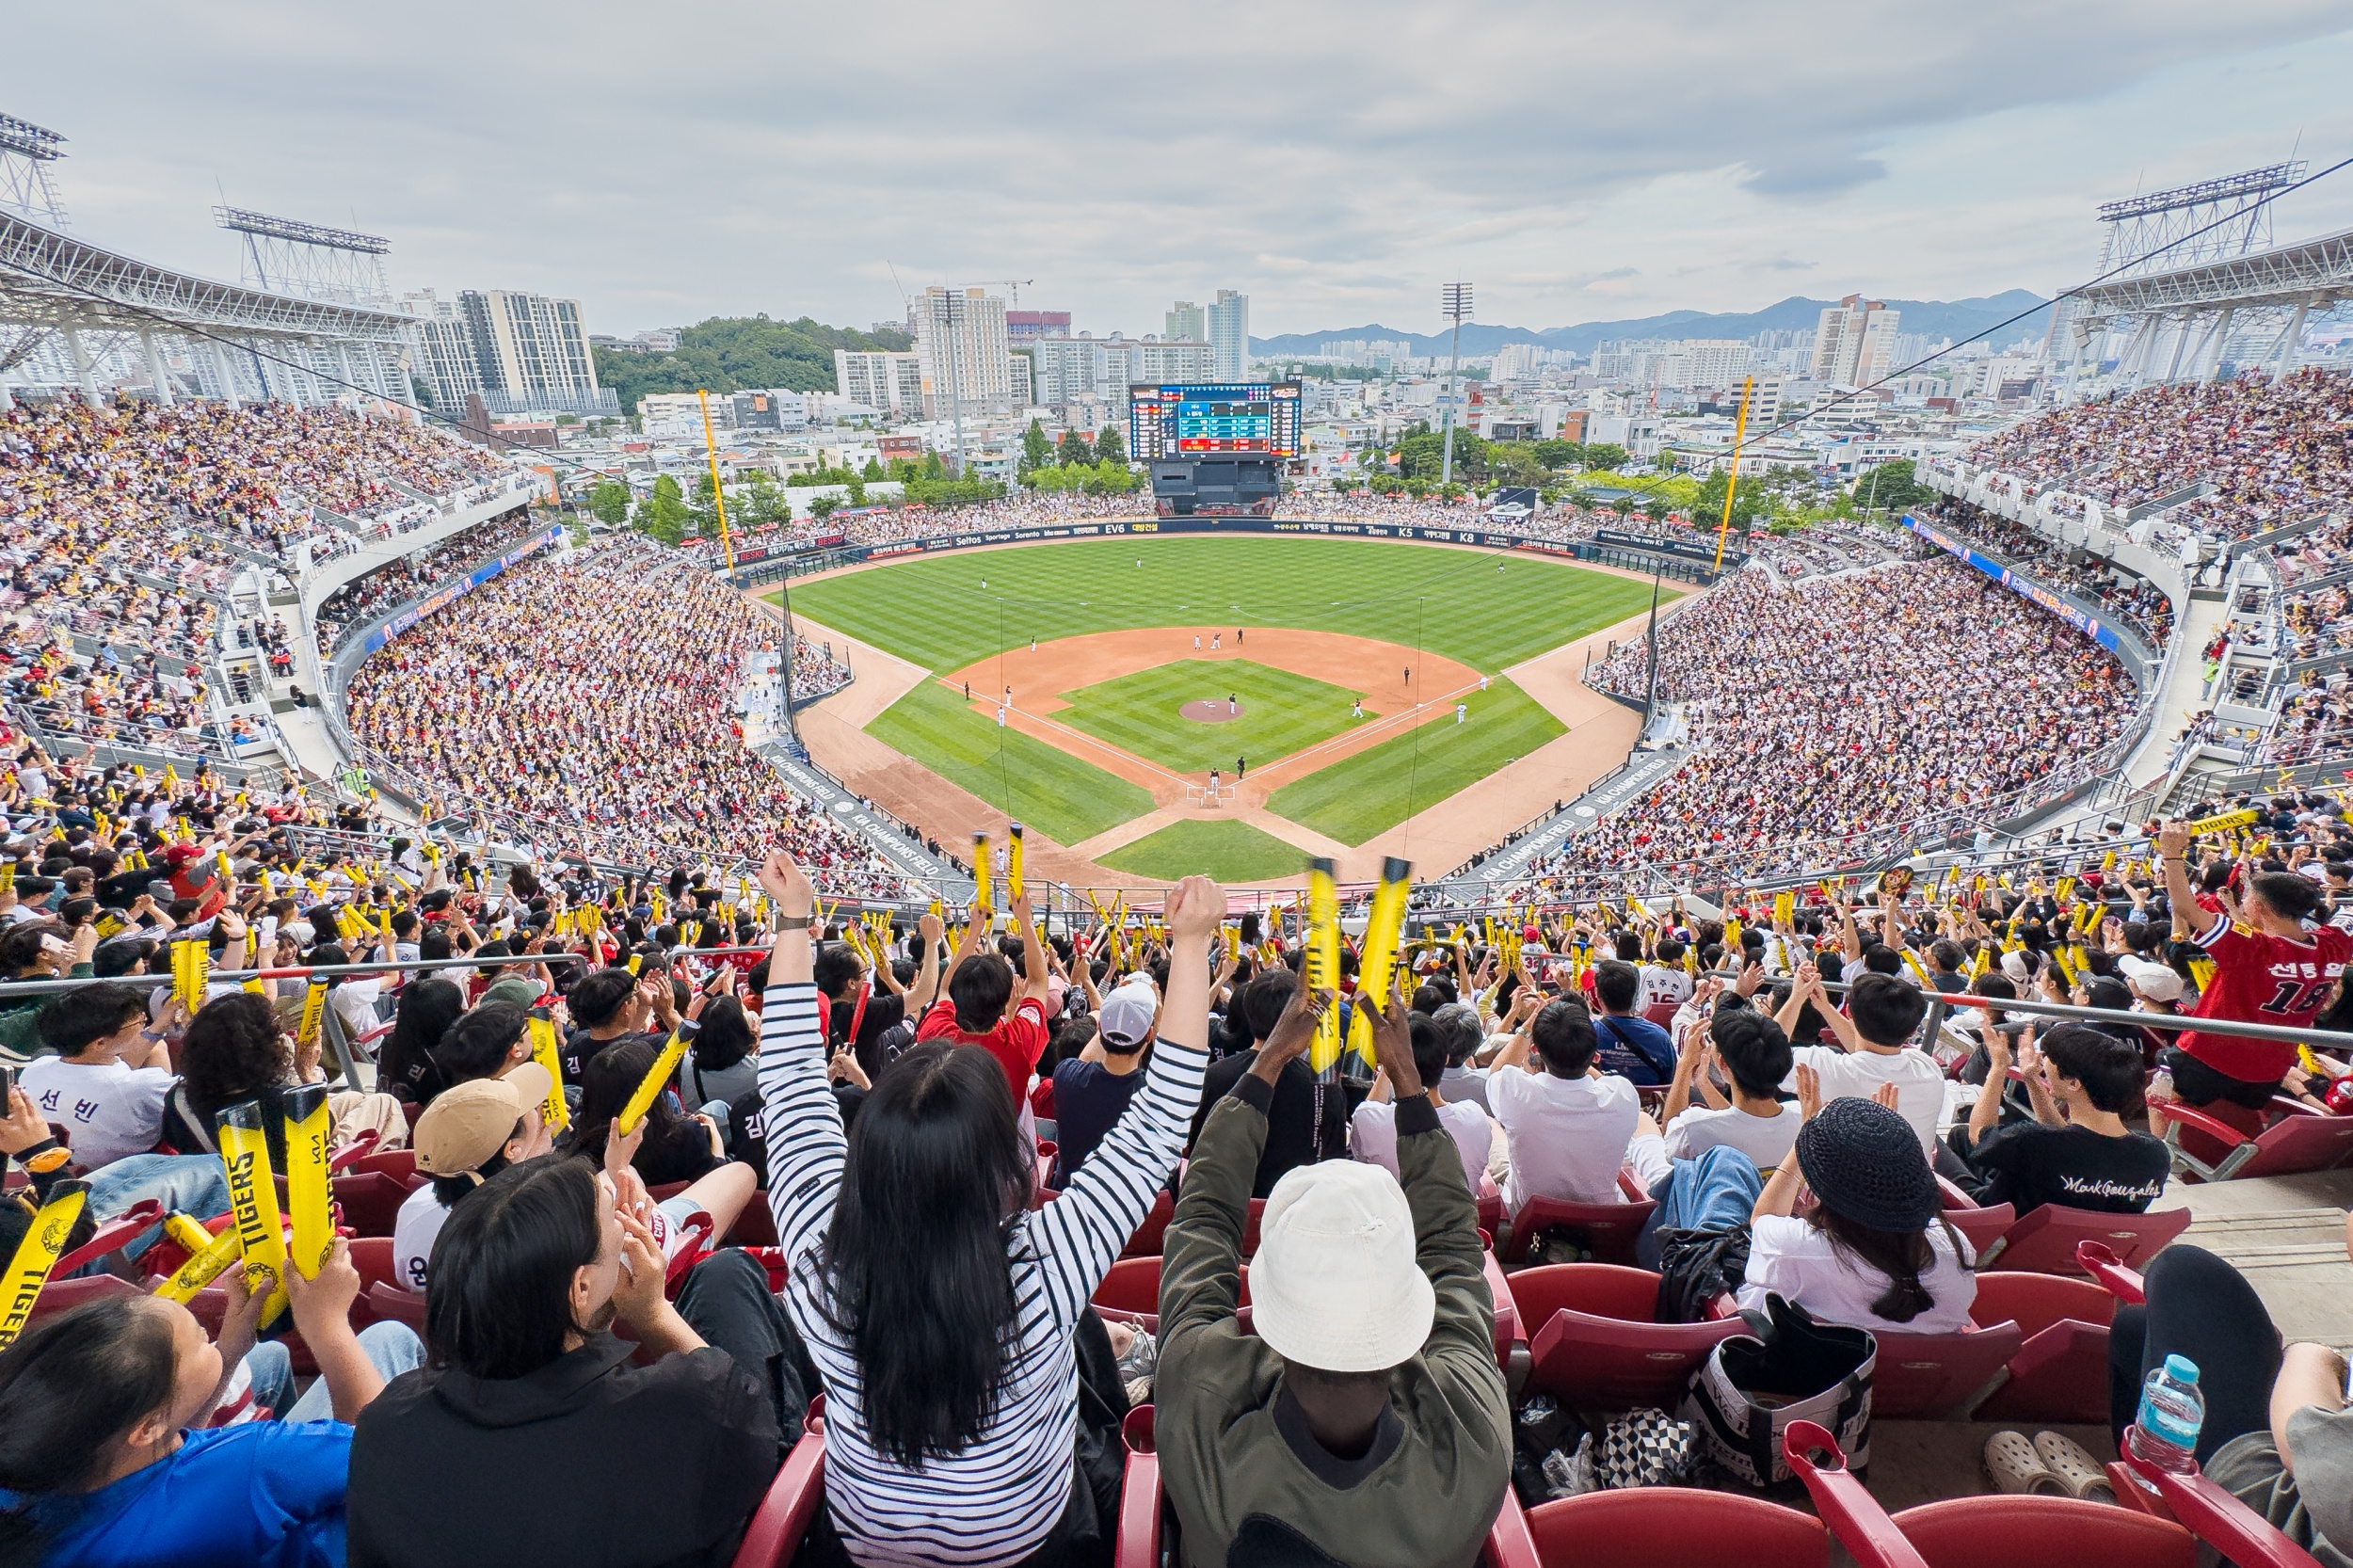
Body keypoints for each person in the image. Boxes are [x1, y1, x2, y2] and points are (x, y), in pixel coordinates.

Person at [762, 850, 1213, 1566]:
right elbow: (1161, 1120)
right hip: (1033, 1545)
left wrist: (793, 921)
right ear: (1005, 1169)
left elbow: (790, 1085)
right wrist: (1190, 946)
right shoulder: (1047, 1265)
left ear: (867, 1157)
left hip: (860, 1545)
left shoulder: (819, 1255)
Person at [1155, 973, 1510, 1567]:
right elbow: (1454, 1247)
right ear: (1407, 1305)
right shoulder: (1470, 1438)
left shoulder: (1199, 1401)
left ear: (1267, 1303)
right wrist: (1409, 1084)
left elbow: (1203, 1222)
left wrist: (1269, 1061)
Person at [346, 1158, 794, 1568]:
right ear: (580, 1287)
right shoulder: (685, 1406)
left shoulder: (385, 1428)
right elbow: (755, 1430)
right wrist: (654, 1314)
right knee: (728, 1275)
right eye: (613, 1217)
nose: (625, 1224)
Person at [0, 1240, 410, 1568]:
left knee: (270, 1356)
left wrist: (227, 1353)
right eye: (200, 1336)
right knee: (390, 1337)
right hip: (351, 1537)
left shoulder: (23, 1477)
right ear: (147, 1426)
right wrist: (329, 1327)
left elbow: (162, 1466)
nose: (207, 1334)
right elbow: (384, 1454)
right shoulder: (258, 1463)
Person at [2108, 1244, 2353, 1562]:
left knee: (2185, 1273)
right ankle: (2133, 1506)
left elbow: (2308, 1450)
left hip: (2283, 1534)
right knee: (2134, 1330)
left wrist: (2314, 1356)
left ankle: (2145, 1532)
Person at [1741, 1085, 1977, 1334]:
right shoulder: (1957, 1250)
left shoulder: (1795, 1249)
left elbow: (1762, 1219)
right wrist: (1885, 1153)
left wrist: (1802, 1143)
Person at [2157, 818, 2353, 1109]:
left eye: (2248, 897)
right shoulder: (2334, 944)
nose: (2244, 903)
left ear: (2259, 907)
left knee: (2157, 1096)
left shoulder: (2251, 947)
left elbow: (2185, 908)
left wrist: (2171, 853)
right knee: (2233, 1116)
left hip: (2207, 1056)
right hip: (2270, 1071)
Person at [1948, 1022, 2169, 1217]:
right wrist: (2031, 1079)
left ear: (2074, 1083)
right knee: (1962, 1136)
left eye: (2049, 1058)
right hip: (2072, 1235)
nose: (2044, 1062)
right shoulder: (2155, 1155)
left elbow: (1978, 1134)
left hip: (1999, 1217)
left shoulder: (2032, 1141)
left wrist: (1998, 1067)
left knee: (1946, 1140)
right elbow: (2068, 1142)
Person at [1485, 996, 1663, 1210]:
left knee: (1491, 1124)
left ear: (1535, 1050)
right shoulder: (1622, 1095)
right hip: (1602, 1219)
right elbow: (1605, 1083)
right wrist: (1579, 1055)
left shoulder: (1517, 1093)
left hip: (1528, 1219)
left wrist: (1528, 1026)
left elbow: (1495, 1073)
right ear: (1595, 1057)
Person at [392, 1064, 556, 1291]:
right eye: (531, 1108)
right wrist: (538, 1167)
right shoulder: (530, 1225)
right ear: (512, 1149)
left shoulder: (415, 1208)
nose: (539, 1111)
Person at [1187, 968, 1349, 1200]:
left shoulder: (1212, 1076)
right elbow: (1334, 1167)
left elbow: (1197, 1151)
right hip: (1299, 1208)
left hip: (1224, 1204)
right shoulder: (1325, 1087)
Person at [1779, 968, 1946, 1158]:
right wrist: (1825, 1007)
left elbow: (1767, 1051)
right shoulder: (1928, 1067)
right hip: (1916, 1175)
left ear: (1849, 1012)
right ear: (1913, 1031)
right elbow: (1872, 1049)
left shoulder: (1825, 1068)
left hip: (1845, 1175)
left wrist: (1796, 998)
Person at [914, 890, 1052, 1113]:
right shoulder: (1019, 1041)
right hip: (1002, 1134)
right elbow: (1038, 981)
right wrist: (1026, 921)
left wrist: (972, 935)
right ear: (1007, 997)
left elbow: (945, 988)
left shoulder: (935, 1032)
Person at [19, 982, 177, 1169]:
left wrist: (158, 1028)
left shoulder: (36, 1068)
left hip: (50, 1174)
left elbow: (103, 1075)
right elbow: (198, 1101)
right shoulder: (142, 1086)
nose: (144, 1024)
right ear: (100, 1043)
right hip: (127, 1177)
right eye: (139, 1022)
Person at [1350, 1009, 1497, 1195]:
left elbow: (1369, 1110)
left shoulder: (1368, 1119)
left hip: (1393, 1214)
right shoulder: (1475, 1117)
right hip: (1461, 1214)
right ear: (1446, 1059)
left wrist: (1391, 1063)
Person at [1660, 1004, 1801, 1168]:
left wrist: (1684, 1065)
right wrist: (1703, 1083)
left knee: (1645, 1123)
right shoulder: (1802, 1116)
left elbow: (1671, 1136)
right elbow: (1743, 1120)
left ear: (1722, 1062)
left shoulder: (1694, 1127)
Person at [1048, 981, 1155, 1188]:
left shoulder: (1065, 1075)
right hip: (1123, 1203)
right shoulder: (1153, 1100)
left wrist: (1114, 1010)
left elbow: (1085, 1061)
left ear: (1099, 1027)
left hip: (1067, 1193)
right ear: (1149, 1035)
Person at [1589, 959, 1675, 1085]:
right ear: (1634, 992)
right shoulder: (1660, 1037)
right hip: (1652, 1098)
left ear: (1597, 993)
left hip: (1603, 1096)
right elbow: (1671, 1080)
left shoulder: (1589, 1034)